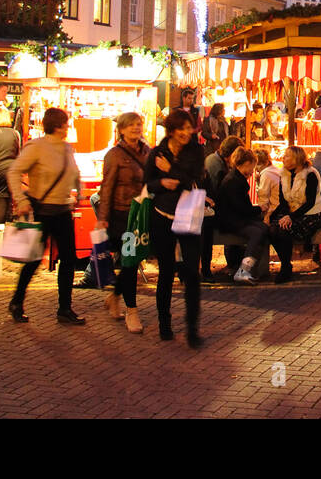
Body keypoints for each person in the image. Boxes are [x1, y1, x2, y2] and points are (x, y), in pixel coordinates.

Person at [7, 107, 85, 325]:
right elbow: (13, 171)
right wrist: (21, 200)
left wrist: (78, 190)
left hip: (63, 210)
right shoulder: (37, 146)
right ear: (59, 126)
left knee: (69, 260)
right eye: (66, 123)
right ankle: (17, 301)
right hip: (42, 211)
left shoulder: (67, 148)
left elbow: (74, 172)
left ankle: (65, 308)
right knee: (33, 261)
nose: (68, 127)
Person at [144, 110, 206, 345]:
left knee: (191, 272)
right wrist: (160, 181)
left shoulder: (196, 151)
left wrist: (170, 169)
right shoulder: (157, 152)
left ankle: (192, 329)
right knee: (166, 271)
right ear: (171, 130)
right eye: (181, 129)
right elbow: (147, 182)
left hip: (188, 212)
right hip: (162, 215)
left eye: (189, 128)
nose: (186, 133)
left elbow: (194, 176)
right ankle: (164, 323)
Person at [96, 112, 150, 333]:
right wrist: (103, 219)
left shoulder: (147, 152)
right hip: (120, 216)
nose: (136, 128)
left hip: (139, 215)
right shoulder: (115, 155)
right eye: (131, 126)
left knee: (131, 262)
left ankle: (115, 296)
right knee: (129, 262)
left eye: (139, 124)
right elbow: (106, 188)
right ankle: (132, 311)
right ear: (122, 129)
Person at [214, 147, 271, 284]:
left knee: (262, 228)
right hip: (231, 221)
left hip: (234, 218)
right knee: (257, 233)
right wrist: (259, 209)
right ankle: (244, 270)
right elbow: (241, 208)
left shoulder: (235, 178)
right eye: (252, 166)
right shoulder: (234, 181)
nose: (253, 170)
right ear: (246, 163)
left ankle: (245, 267)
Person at [269, 146, 321, 284]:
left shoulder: (310, 174)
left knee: (284, 230)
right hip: (291, 212)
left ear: (297, 159)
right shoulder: (284, 175)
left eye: (287, 156)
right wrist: (273, 216)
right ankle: (286, 263)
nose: (284, 158)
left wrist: (290, 217)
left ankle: (286, 267)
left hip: (310, 214)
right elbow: (283, 201)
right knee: (271, 230)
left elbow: (310, 202)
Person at [201, 135, 243, 281]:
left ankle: (233, 262)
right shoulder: (216, 165)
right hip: (210, 212)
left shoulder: (213, 159)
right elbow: (218, 192)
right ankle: (234, 263)